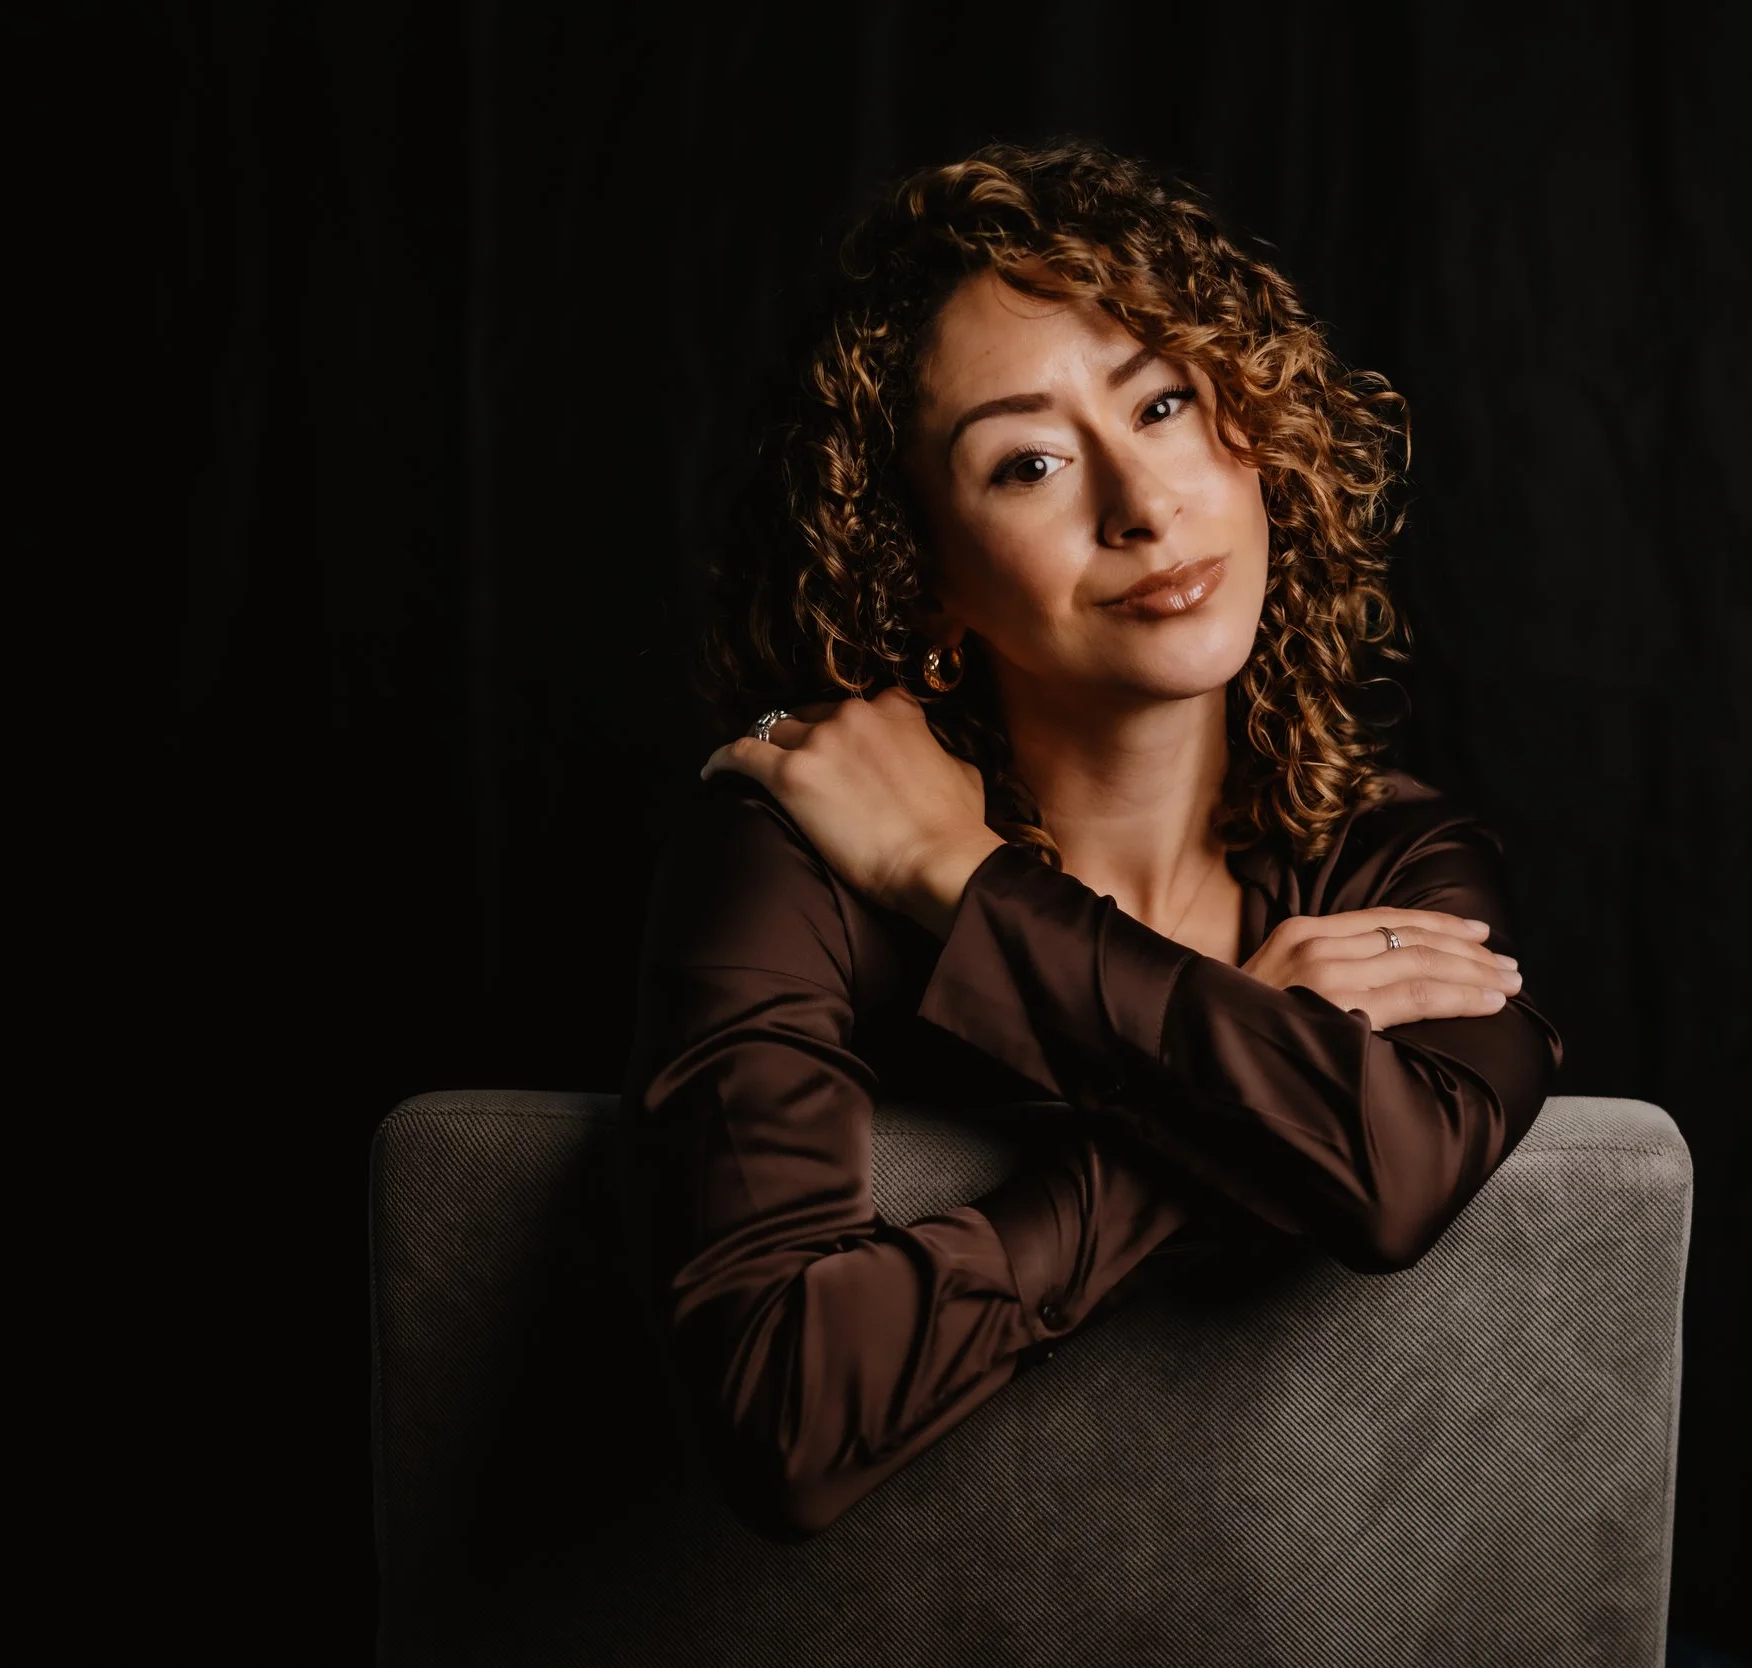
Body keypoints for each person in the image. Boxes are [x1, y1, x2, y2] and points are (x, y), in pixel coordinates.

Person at [623, 139, 1563, 1540]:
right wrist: (1235, 1071)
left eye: (1167, 402)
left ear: (1258, 433)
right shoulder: (788, 859)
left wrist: (965, 885)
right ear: (921, 574)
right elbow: (785, 1407)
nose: (1141, 502)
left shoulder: (1389, 856)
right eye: (1029, 464)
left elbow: (1390, 1183)